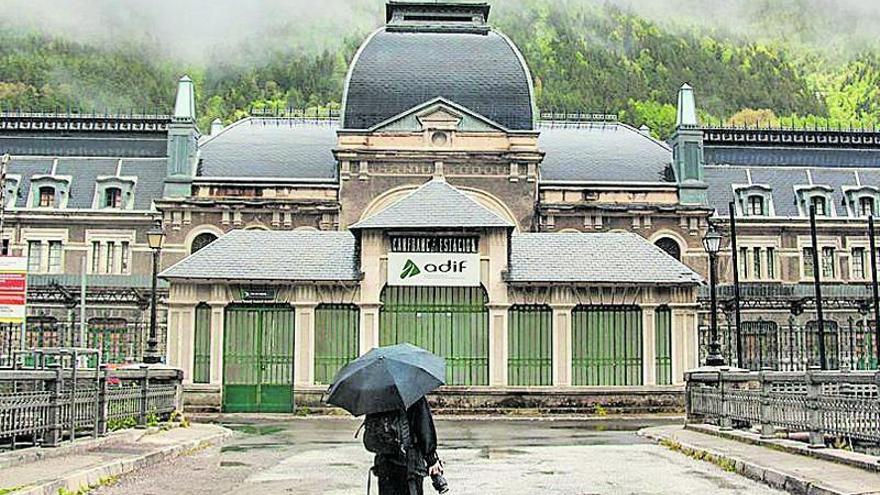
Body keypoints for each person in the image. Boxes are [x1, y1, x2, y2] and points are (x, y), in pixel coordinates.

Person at [372, 397, 443, 495]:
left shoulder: (377, 395)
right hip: (409, 463)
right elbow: (424, 428)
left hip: (385, 464)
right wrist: (432, 460)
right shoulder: (412, 393)